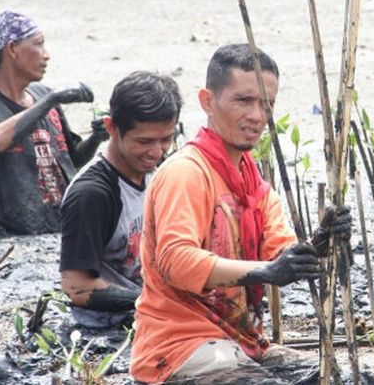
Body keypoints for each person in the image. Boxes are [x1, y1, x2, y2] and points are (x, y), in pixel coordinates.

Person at [130, 44, 351, 384]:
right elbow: (175, 260)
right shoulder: (186, 172)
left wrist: (321, 242)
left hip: (242, 343)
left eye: (267, 104)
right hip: (179, 346)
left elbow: (281, 252)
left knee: (342, 377)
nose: (258, 116)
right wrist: (267, 270)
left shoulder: (252, 180)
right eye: (244, 101)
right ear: (207, 101)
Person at [0, 10, 107, 235]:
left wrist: (97, 137)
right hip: (8, 235)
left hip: (61, 225)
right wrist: (52, 99)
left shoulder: (42, 94)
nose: (46, 55)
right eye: (39, 44)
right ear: (13, 48)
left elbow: (72, 160)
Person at [59, 71, 182, 328]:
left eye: (166, 140)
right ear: (111, 128)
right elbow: (77, 288)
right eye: (144, 141)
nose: (157, 152)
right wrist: (157, 301)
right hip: (109, 324)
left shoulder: (151, 174)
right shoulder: (91, 195)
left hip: (148, 309)